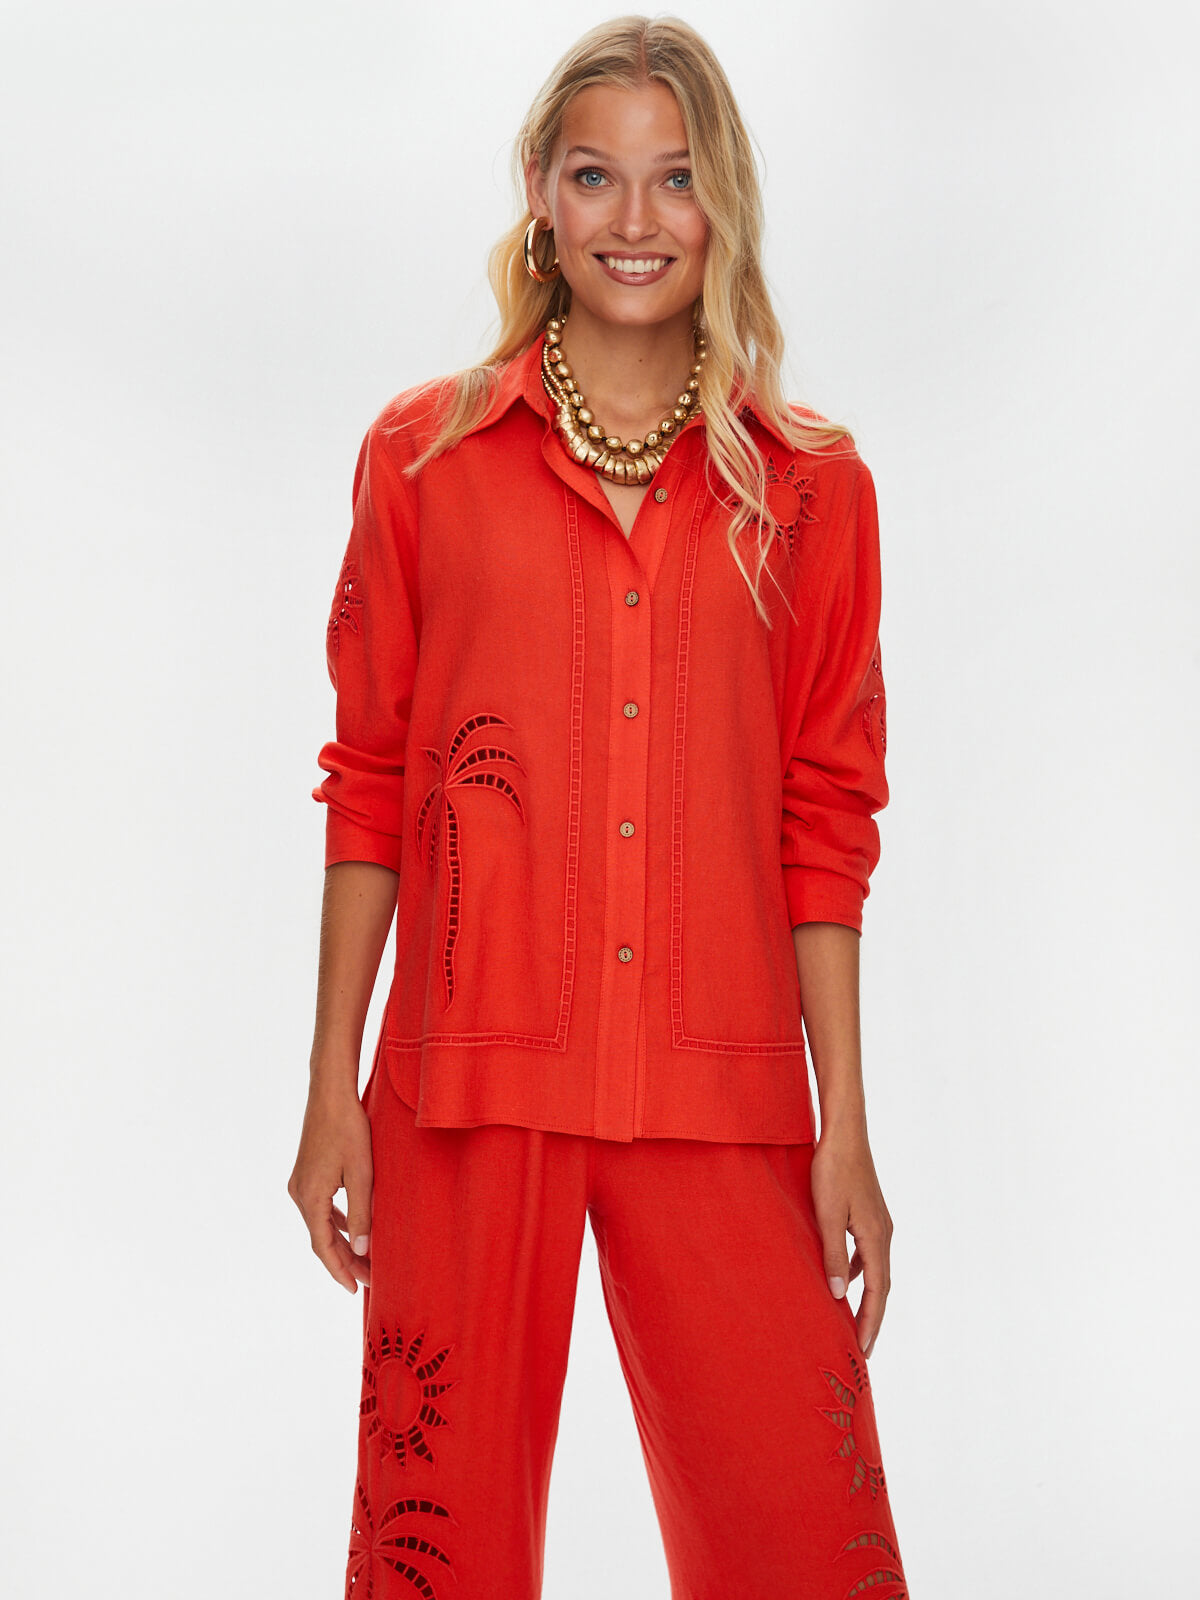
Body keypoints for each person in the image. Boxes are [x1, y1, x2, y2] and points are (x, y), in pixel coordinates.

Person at [289, 15, 908, 1599]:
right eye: (596, 176)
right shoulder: (421, 459)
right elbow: (370, 780)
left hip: (723, 1090)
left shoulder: (812, 489)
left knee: (808, 1553)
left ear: (726, 203)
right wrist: (330, 1089)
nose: (637, 220)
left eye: (677, 179)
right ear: (540, 195)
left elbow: (827, 821)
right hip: (463, 1085)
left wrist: (846, 1126)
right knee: (436, 1561)